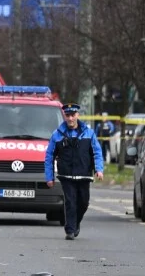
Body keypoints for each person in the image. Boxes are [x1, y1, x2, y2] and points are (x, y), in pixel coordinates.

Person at [45, 103, 104, 240]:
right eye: (68, 115)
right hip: (66, 175)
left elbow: (97, 152)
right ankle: (70, 230)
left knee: (83, 203)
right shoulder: (57, 134)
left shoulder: (89, 133)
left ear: (77, 115)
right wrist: (49, 177)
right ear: (64, 116)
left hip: (84, 175)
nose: (70, 118)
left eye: (73, 115)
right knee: (70, 202)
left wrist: (99, 169)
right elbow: (49, 157)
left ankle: (75, 223)